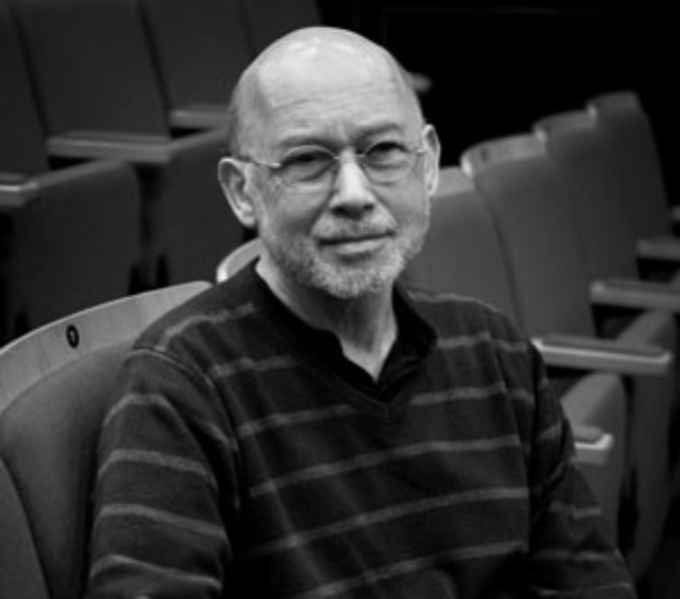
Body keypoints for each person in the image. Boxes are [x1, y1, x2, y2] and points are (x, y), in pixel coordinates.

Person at [85, 26, 636, 598]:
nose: (353, 192)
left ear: (427, 167)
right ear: (242, 192)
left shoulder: (495, 351)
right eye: (306, 160)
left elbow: (590, 585)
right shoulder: (181, 383)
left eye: (384, 152)